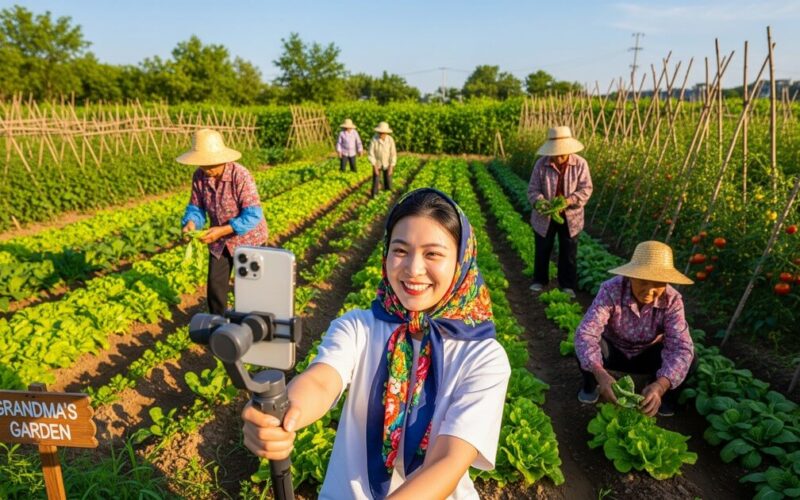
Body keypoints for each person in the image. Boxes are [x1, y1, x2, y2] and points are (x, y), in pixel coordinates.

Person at [241, 188, 510, 499]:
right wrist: (283, 414)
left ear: (462, 260)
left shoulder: (483, 357)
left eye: (433, 254)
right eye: (400, 250)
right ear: (385, 254)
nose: (413, 269)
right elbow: (321, 381)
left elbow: (449, 460)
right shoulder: (359, 327)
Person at [573, 240, 696, 417]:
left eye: (658, 283)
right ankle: (591, 385)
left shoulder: (672, 300)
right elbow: (586, 333)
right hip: (613, 351)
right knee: (587, 342)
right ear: (631, 275)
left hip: (647, 354)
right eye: (643, 281)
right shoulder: (612, 290)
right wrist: (600, 373)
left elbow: (680, 347)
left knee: (690, 357)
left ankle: (662, 394)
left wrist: (661, 385)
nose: (649, 290)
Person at [179, 128, 268, 316]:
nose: (206, 168)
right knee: (215, 287)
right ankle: (218, 329)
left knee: (249, 288)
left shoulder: (240, 175)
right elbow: (196, 207)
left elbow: (253, 214)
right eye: (202, 163)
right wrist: (191, 224)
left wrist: (224, 230)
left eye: (210, 163)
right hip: (219, 242)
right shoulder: (199, 176)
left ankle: (251, 327)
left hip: (249, 240)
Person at [527, 126, 593, 298]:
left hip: (572, 217)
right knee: (543, 248)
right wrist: (541, 203)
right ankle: (539, 281)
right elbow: (533, 189)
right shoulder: (541, 164)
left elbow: (586, 189)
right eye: (555, 154)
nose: (558, 157)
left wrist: (568, 201)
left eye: (562, 154)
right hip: (545, 216)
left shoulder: (580, 164)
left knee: (569, 251)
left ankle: (567, 285)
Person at [368, 121, 397, 198]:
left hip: (387, 163)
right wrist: (374, 166)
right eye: (380, 133)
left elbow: (393, 153)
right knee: (376, 179)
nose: (382, 134)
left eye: (384, 133)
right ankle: (374, 195)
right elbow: (371, 153)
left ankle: (388, 195)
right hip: (377, 163)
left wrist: (391, 166)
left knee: (388, 179)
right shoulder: (374, 139)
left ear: (386, 133)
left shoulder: (390, 140)